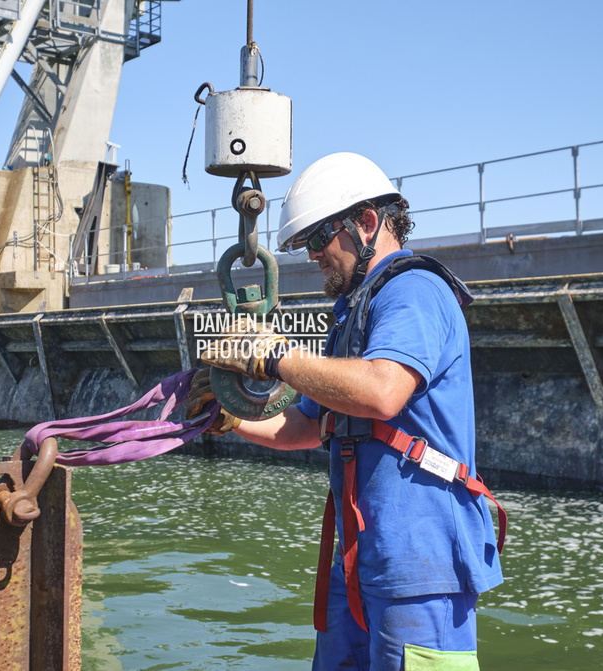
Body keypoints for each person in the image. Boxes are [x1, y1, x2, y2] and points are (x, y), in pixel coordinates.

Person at [190, 152, 504, 670]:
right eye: (302, 244)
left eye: (318, 239)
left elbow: (381, 392)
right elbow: (309, 424)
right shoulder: (354, 314)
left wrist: (276, 356)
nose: (312, 256)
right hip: (361, 560)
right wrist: (230, 416)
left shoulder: (414, 292)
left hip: (421, 565)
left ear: (366, 222)